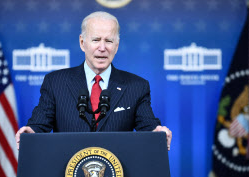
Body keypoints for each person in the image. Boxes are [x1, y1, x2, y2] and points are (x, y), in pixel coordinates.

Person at [16, 11, 172, 150]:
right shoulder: (55, 82)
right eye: (96, 40)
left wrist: (157, 133)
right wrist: (31, 132)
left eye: (109, 41)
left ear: (117, 46)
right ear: (82, 43)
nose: (102, 47)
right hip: (68, 172)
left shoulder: (136, 86)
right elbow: (39, 123)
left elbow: (148, 125)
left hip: (117, 174)